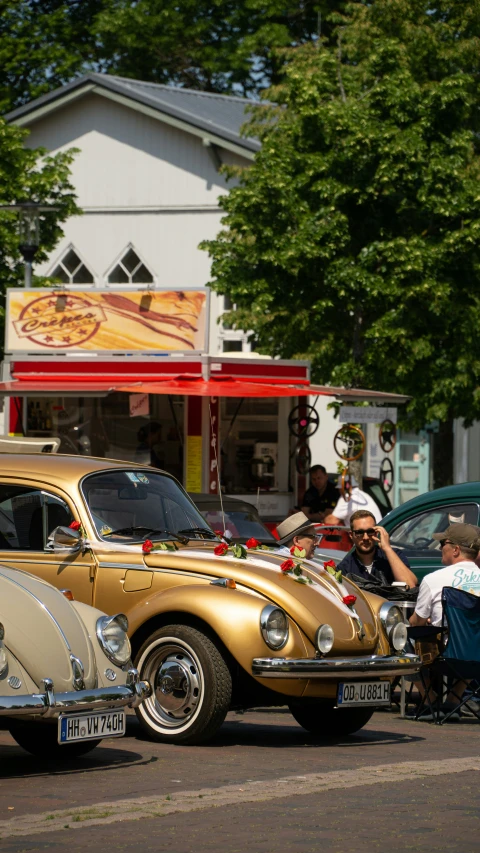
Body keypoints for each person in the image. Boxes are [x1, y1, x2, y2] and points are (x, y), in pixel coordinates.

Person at [408, 523, 480, 720]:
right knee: (472, 638)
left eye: (443, 542)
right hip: (476, 657)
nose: (440, 547)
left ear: (456, 549)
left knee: (403, 641)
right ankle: (453, 703)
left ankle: (430, 701)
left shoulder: (434, 579)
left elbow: (417, 623)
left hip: (446, 655)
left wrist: (412, 619)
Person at [337, 509, 418, 588]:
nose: (365, 537)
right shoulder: (345, 567)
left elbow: (410, 585)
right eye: (360, 533)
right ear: (351, 535)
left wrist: (387, 549)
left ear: (376, 533)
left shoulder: (393, 555)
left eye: (370, 531)